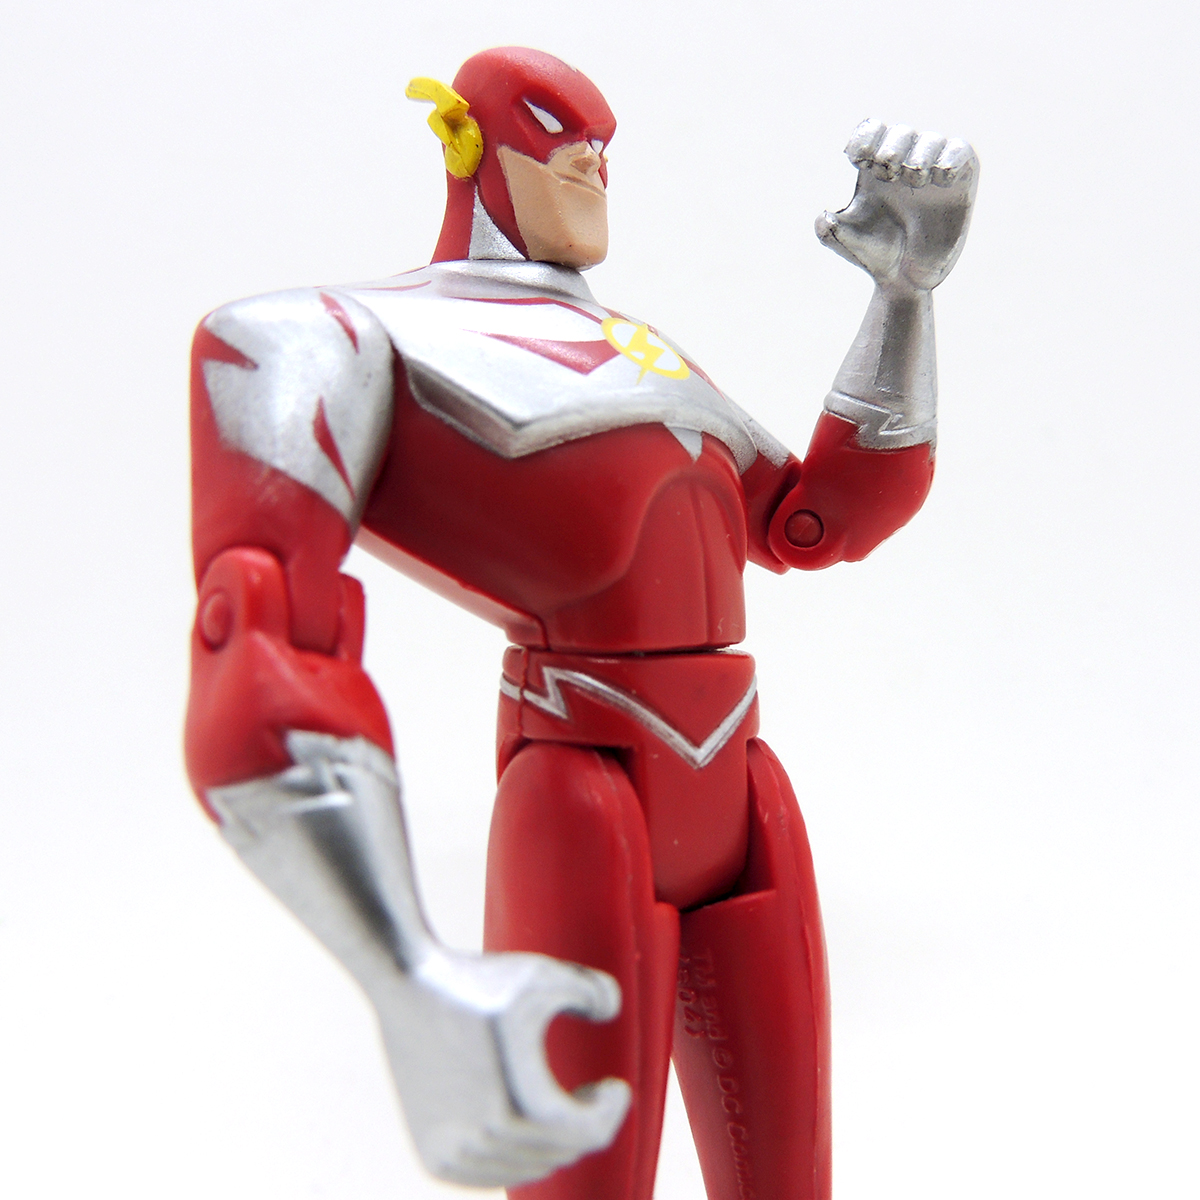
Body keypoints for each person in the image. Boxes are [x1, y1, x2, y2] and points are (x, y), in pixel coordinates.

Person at [185, 45, 977, 1200]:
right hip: (583, 780)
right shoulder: (342, 335)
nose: (592, 166)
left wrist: (903, 300)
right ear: (467, 143)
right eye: (561, 140)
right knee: (585, 1175)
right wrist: (404, 970)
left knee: (791, 1170)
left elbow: (813, 520)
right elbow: (259, 631)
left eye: (603, 149)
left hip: (741, 783)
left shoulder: (647, 359)